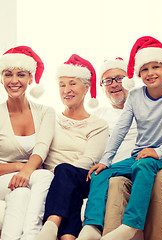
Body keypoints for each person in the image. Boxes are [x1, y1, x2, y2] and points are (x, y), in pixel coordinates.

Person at [79, 36, 162, 240]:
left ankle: (130, 225)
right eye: (145, 69)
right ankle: (92, 226)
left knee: (145, 163)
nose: (150, 73)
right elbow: (121, 129)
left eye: (155, 67)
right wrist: (105, 161)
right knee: (100, 174)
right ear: (139, 74)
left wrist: (158, 151)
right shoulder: (135, 96)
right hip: (140, 156)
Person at [0, 46, 55, 240]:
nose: (14, 80)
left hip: (25, 180)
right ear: (1, 79)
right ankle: (33, 236)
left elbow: (42, 147)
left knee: (22, 194)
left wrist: (26, 172)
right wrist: (20, 167)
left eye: (21, 74)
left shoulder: (45, 112)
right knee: (40, 178)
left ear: (30, 79)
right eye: (8, 74)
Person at [35, 54, 109, 240]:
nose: (66, 90)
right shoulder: (50, 117)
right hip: (54, 179)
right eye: (62, 85)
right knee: (68, 190)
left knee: (65, 173)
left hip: (82, 177)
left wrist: (59, 170)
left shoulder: (98, 124)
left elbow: (90, 159)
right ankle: (68, 237)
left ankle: (50, 225)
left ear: (86, 88)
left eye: (72, 83)